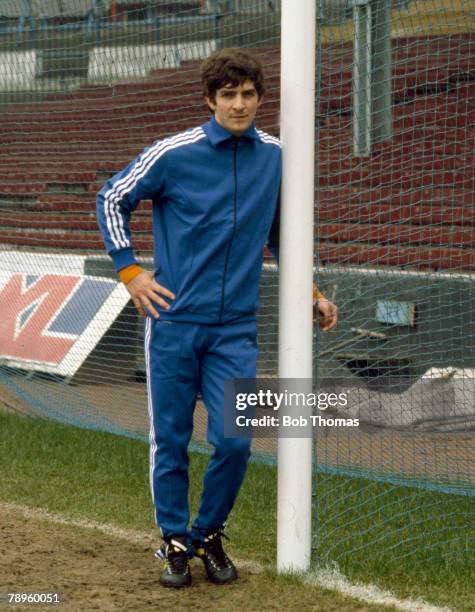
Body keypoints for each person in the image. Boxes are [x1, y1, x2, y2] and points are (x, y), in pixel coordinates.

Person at [96, 48, 338, 588]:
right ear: (210, 100)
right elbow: (112, 197)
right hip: (175, 321)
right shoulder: (174, 153)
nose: (239, 104)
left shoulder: (274, 156)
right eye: (228, 95)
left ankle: (209, 533)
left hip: (236, 327)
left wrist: (311, 292)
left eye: (248, 94)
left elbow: (280, 235)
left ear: (259, 98)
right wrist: (130, 271)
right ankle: (175, 540)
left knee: (235, 439)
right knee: (173, 439)